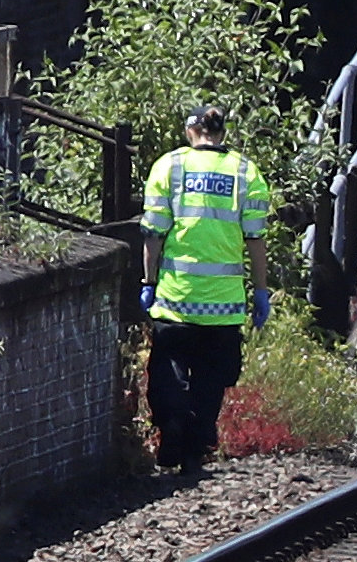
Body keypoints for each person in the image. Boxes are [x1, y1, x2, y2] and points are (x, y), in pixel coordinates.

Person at [139, 105, 271, 474]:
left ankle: (173, 426)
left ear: (189, 131)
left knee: (168, 372)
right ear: (221, 132)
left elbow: (153, 233)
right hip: (224, 305)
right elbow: (256, 239)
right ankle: (196, 449)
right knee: (211, 380)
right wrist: (260, 291)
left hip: (176, 300)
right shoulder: (246, 172)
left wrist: (148, 282)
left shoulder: (169, 167)